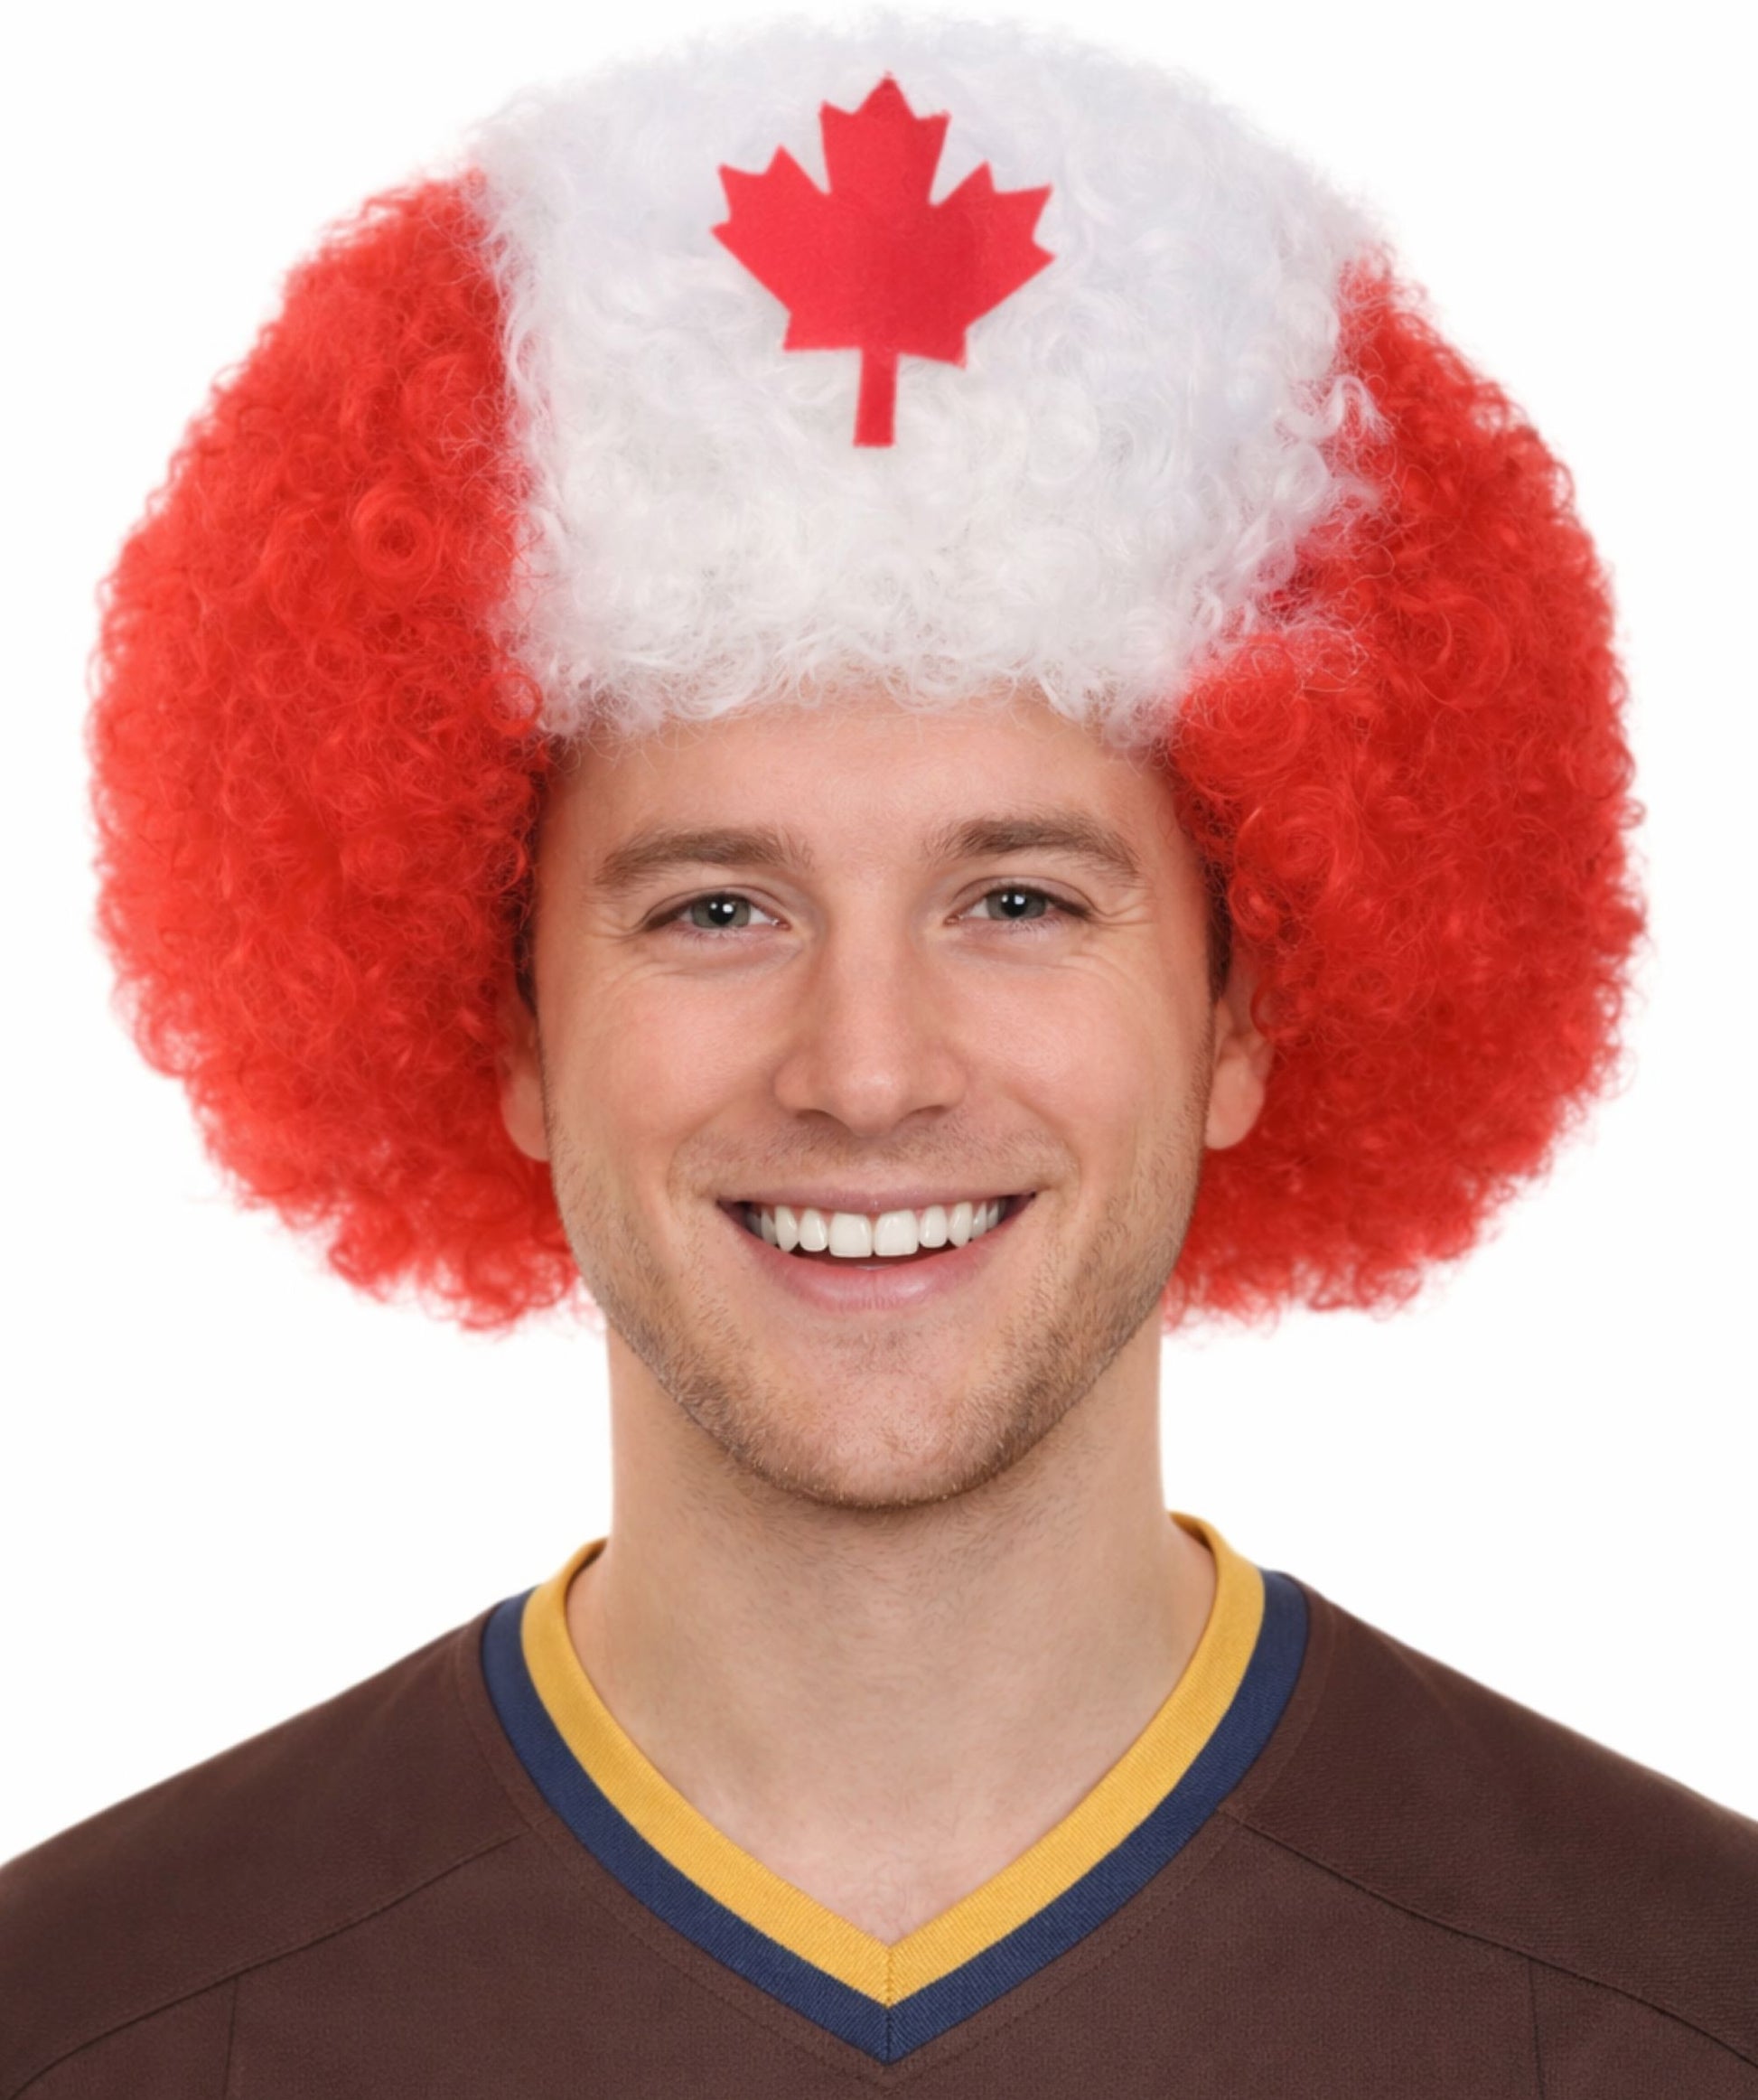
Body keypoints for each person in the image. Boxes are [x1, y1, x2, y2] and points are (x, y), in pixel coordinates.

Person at [3, 15, 1753, 2096]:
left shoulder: (1680, 2014)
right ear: (509, 1020)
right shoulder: (91, 2024)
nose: (864, 1069)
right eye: (713, 909)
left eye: (1016, 899)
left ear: (1244, 1009)